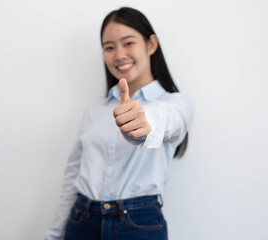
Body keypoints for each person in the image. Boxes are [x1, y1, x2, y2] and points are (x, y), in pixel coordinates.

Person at [45, 7, 194, 240]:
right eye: (109, 47)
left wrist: (143, 121)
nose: (119, 55)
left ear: (151, 44)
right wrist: (54, 234)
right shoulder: (95, 111)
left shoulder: (177, 103)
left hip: (138, 225)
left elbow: (165, 118)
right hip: (82, 221)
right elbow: (72, 177)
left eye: (128, 43)